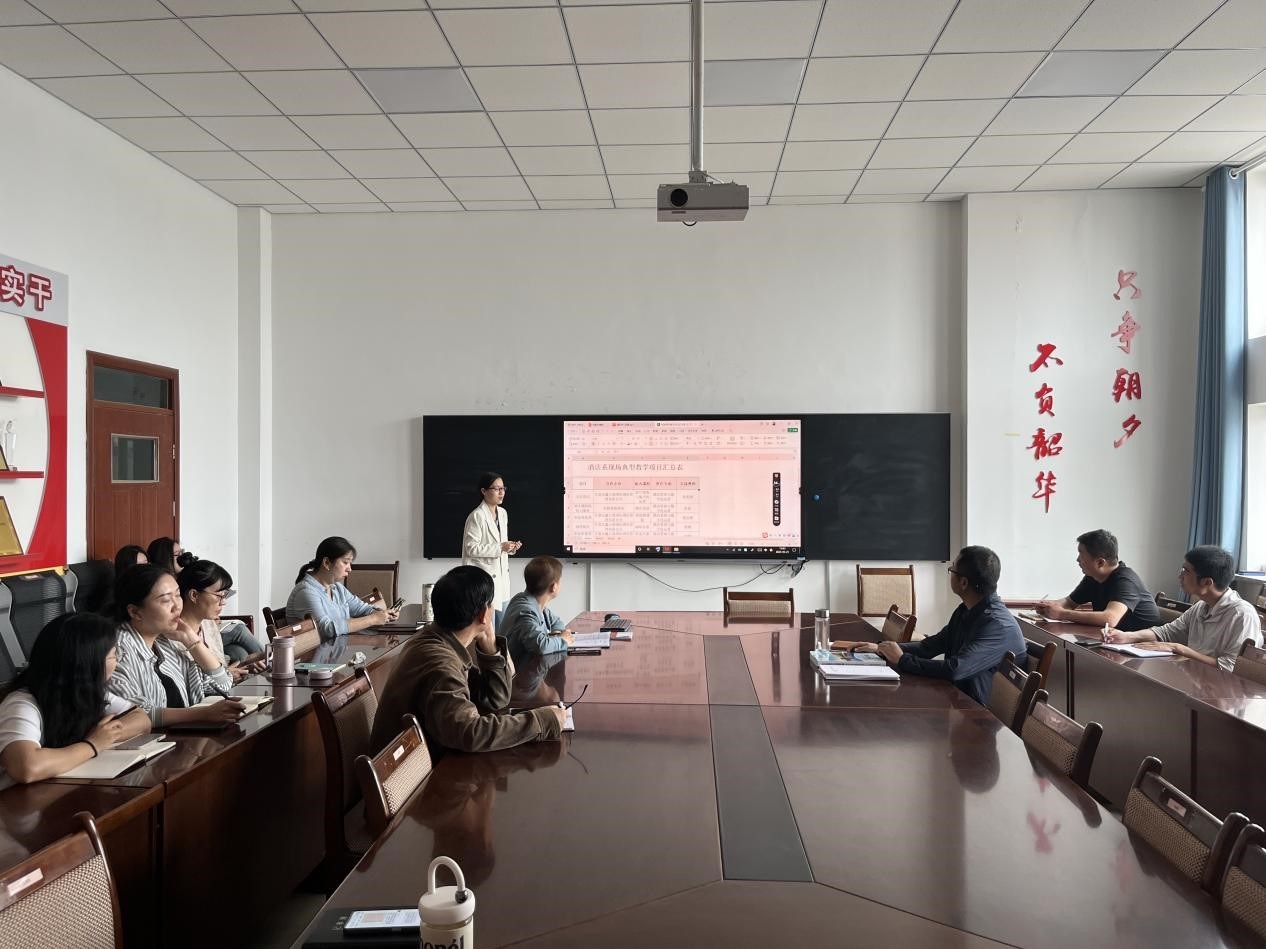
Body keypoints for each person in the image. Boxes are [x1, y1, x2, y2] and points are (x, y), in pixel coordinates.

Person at [370, 565, 564, 758]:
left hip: (421, 760)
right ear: (484, 614)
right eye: (491, 605)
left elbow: (495, 700)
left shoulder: (437, 640)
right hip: (411, 772)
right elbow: (468, 733)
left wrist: (491, 647)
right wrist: (541, 721)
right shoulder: (440, 661)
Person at [835, 546, 1026, 706]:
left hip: (978, 718)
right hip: (958, 703)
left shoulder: (997, 626)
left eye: (952, 569)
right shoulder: (966, 611)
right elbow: (929, 647)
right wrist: (882, 649)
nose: (949, 573)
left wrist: (903, 660)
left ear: (963, 582)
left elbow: (955, 669)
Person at [0, 613, 150, 788]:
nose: (117, 662)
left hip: (58, 790)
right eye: (113, 655)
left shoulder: (85, 692)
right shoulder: (21, 704)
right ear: (87, 663)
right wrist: (92, 745)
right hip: (15, 800)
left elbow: (142, 720)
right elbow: (27, 767)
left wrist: (106, 736)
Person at [107, 564, 245, 728]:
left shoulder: (164, 641)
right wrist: (204, 713)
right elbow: (136, 715)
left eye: (178, 595)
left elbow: (222, 685)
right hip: (151, 742)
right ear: (135, 612)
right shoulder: (116, 650)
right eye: (166, 600)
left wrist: (192, 641)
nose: (177, 606)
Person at [1103, 546, 1261, 671]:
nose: (1180, 576)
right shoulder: (1200, 606)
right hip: (1197, 679)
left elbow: (1231, 667)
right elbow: (1167, 632)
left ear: (1207, 582)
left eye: (1186, 571)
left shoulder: (1241, 615)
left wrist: (1179, 649)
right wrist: (1126, 636)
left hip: (1225, 692)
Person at [1036, 529, 1161, 631]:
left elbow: (1110, 619)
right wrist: (1049, 607)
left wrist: (1061, 614)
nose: (1077, 559)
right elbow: (1069, 602)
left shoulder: (1126, 580)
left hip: (1144, 645)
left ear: (1100, 562)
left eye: (1081, 554)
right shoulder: (1092, 577)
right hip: (1114, 640)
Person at [286, 536, 397, 642]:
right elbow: (327, 630)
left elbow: (361, 609)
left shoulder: (337, 588)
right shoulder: (306, 592)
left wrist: (383, 614)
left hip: (336, 649)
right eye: (345, 562)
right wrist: (373, 619)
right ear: (326, 563)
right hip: (315, 654)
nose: (350, 569)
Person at [176, 559, 266, 680]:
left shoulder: (208, 625)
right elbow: (187, 684)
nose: (223, 602)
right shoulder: (174, 636)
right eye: (219, 596)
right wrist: (226, 676)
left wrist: (246, 665)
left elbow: (220, 667)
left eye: (225, 595)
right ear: (194, 595)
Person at [462, 472, 521, 625]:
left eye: (503, 488)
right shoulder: (477, 516)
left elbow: (500, 544)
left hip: (502, 582)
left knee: (504, 629)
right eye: (496, 489)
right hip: (483, 582)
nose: (501, 492)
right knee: (488, 631)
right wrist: (500, 547)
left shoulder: (502, 513)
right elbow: (471, 548)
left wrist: (511, 547)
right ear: (483, 491)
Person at [500, 555, 574, 664]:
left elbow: (557, 622)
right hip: (520, 671)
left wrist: (556, 634)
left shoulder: (534, 603)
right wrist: (562, 640)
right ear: (554, 587)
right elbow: (541, 646)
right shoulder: (525, 611)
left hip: (532, 665)